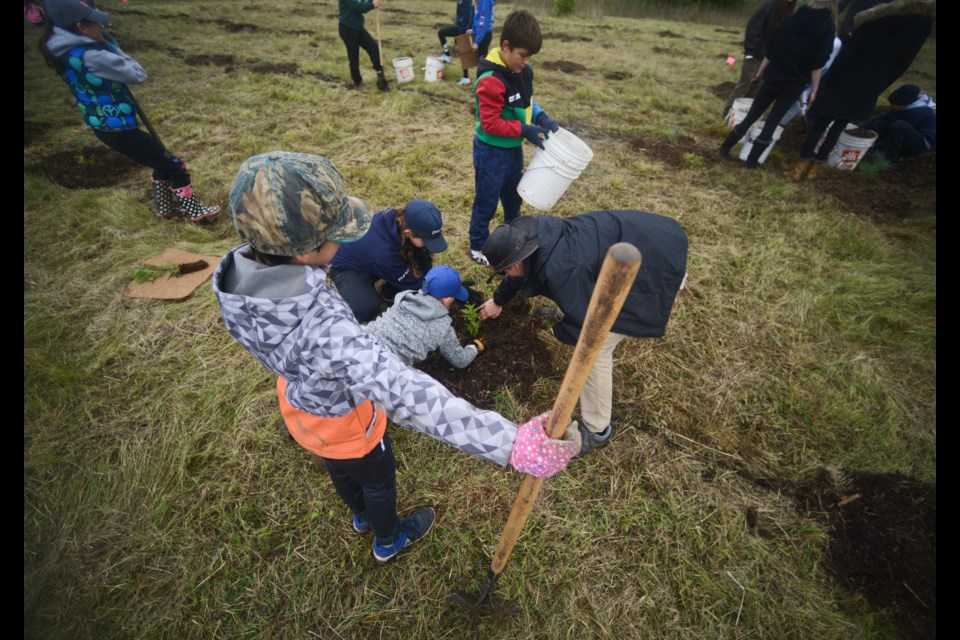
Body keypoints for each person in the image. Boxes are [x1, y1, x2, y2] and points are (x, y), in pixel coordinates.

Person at [212, 152, 581, 562]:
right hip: (345, 421)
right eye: (337, 232)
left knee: (340, 469)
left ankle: (360, 517)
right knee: (378, 478)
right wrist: (511, 444)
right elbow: (406, 392)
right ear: (303, 250)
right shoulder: (326, 331)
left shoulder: (238, 277)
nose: (345, 239)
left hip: (300, 408)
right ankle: (389, 539)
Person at [478, 211, 688, 456]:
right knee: (579, 291)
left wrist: (560, 330)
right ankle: (568, 308)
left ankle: (597, 429)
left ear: (514, 265)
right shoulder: (534, 237)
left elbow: (587, 327)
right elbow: (525, 272)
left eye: (504, 271)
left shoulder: (561, 271)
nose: (505, 275)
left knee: (595, 348)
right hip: (650, 232)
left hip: (652, 261)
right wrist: (499, 300)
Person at [38, 0, 220, 221]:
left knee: (158, 159)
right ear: (81, 27)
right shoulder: (94, 55)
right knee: (175, 165)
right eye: (96, 24)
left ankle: (165, 209)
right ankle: (195, 211)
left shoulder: (62, 50)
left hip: (102, 124)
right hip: (119, 128)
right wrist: (111, 46)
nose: (102, 28)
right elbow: (137, 74)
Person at [792, 0, 935, 178]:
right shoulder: (917, 30)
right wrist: (878, 87)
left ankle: (800, 168)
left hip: (843, 82)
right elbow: (901, 66)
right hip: (868, 89)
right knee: (837, 129)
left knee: (820, 126)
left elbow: (845, 56)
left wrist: (828, 81)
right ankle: (814, 170)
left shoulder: (870, 24)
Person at [468, 9, 559, 265]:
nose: (526, 61)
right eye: (523, 55)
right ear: (506, 46)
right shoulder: (491, 80)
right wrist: (525, 130)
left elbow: (526, 101)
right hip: (491, 152)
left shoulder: (520, 72)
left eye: (530, 56)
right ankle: (477, 246)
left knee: (513, 197)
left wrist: (541, 118)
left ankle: (512, 238)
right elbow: (490, 123)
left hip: (512, 150)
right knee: (486, 201)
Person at [719, 0, 836, 169]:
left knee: (752, 114)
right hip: (794, 84)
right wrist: (815, 89)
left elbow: (770, 51)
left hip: (772, 78)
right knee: (772, 121)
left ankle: (725, 147)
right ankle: (751, 163)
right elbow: (818, 63)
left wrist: (759, 74)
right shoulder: (827, 28)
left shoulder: (790, 20)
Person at [329, 199, 447, 323]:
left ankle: (390, 292)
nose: (429, 245)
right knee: (364, 309)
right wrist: (436, 294)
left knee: (420, 257)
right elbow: (413, 284)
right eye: (426, 240)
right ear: (408, 233)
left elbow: (422, 268)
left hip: (377, 260)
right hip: (351, 267)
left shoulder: (401, 221)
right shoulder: (382, 251)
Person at [366, 265, 483, 369]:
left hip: (363, 341)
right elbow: (460, 361)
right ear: (446, 299)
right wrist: (473, 348)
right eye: (454, 297)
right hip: (383, 367)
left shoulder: (403, 300)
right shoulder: (442, 328)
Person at [722, 0, 798, 121]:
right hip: (756, 56)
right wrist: (750, 53)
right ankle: (727, 115)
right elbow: (753, 29)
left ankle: (742, 118)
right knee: (744, 86)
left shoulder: (789, 11)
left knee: (757, 89)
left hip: (770, 59)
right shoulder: (769, 6)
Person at [863, 84, 936, 163]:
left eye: (894, 104)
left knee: (899, 125)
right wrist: (860, 129)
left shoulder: (921, 112)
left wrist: (875, 148)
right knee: (880, 123)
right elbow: (882, 118)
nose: (892, 106)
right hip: (902, 136)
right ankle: (866, 145)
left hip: (919, 144)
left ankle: (889, 159)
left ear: (905, 104)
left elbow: (896, 134)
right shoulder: (904, 107)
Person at [338, 0, 390, 91]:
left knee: (374, 48)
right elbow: (359, 8)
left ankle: (381, 77)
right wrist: (372, 4)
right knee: (354, 56)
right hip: (347, 29)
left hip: (359, 28)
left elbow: (363, 3)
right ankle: (357, 83)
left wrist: (372, 1)